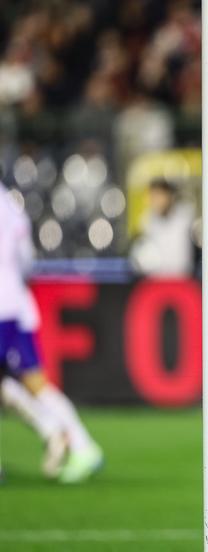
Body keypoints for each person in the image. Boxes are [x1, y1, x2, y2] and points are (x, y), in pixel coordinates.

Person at [0, 182, 103, 483]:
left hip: (4, 307)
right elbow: (25, 258)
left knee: (33, 383)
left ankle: (81, 445)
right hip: (12, 300)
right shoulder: (10, 203)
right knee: (19, 384)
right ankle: (60, 434)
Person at [130, 177, 196, 276]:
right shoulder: (146, 221)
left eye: (159, 195)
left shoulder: (185, 217)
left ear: (168, 195)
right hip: (157, 279)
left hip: (182, 278)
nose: (155, 200)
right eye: (153, 196)